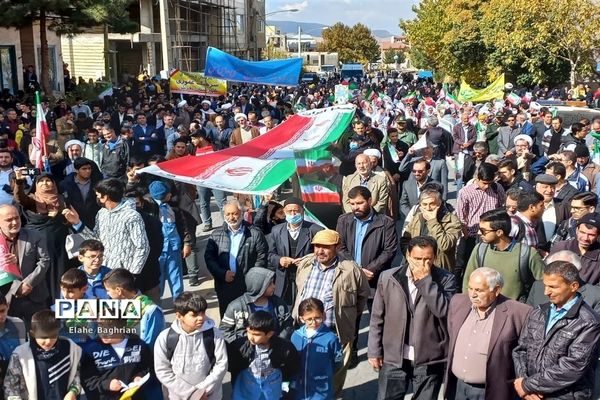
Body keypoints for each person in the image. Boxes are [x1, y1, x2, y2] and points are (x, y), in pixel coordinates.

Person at [367, 236, 457, 400]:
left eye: (427, 259)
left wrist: (425, 282)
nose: (422, 264)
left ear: (434, 258)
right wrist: (374, 350)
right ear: (408, 256)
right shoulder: (389, 277)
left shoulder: (446, 279)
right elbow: (377, 317)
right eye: (417, 259)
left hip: (429, 358)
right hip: (394, 356)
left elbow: (443, 311)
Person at [293, 229, 370, 396]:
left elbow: (363, 296)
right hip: (306, 332)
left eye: (326, 247)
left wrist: (347, 316)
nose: (320, 251)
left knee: (335, 374)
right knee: (305, 371)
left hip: (336, 333)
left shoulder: (351, 270)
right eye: (317, 246)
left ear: (338, 247)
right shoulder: (306, 264)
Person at [512, 261, 600, 399]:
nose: (546, 292)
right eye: (545, 285)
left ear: (573, 286)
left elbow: (572, 367)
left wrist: (527, 385)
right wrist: (524, 383)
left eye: (553, 287)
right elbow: (521, 350)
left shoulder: (588, 322)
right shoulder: (539, 312)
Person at [445, 268, 531, 400]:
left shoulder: (519, 313)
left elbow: (526, 353)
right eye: (470, 288)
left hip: (491, 391)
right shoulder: (458, 302)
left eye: (478, 290)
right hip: (457, 388)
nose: (472, 294)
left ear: (496, 290)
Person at [336, 185, 397, 368]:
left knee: (377, 318)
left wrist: (371, 269)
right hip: (350, 278)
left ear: (370, 201)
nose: (356, 207)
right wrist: (356, 270)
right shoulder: (344, 220)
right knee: (350, 318)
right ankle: (352, 352)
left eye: (360, 203)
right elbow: (340, 246)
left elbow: (389, 250)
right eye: (352, 203)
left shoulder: (385, 222)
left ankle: (378, 353)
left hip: (374, 280)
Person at [62, 178, 149, 275]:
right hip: (103, 270)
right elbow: (96, 240)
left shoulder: (131, 216)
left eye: (98, 195)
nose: (97, 198)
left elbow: (142, 247)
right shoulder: (102, 213)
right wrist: (77, 223)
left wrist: (132, 273)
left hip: (122, 274)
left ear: (105, 197)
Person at [154, 292, 228, 400]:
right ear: (179, 316)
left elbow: (221, 365)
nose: (201, 318)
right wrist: (193, 394)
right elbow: (162, 370)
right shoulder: (165, 338)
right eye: (194, 315)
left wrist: (202, 392)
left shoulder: (214, 334)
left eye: (202, 313)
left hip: (208, 396)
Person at [463, 209, 544, 301]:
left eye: (483, 231)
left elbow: (543, 282)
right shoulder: (480, 250)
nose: (478, 233)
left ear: (499, 233)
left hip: (514, 311)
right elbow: (468, 281)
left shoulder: (526, 253)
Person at [205, 200, 269, 316]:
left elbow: (262, 257)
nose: (231, 217)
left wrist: (252, 277)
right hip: (225, 284)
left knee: (249, 317)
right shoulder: (216, 235)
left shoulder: (254, 233)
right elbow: (209, 258)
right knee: (228, 318)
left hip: (247, 286)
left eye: (234, 213)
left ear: (241, 213)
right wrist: (222, 273)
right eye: (228, 214)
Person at [12, 170, 69, 300]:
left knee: (58, 276)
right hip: (37, 246)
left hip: (57, 246)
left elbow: (68, 219)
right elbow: (19, 197)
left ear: (54, 183)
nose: (45, 183)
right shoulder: (32, 199)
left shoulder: (61, 199)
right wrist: (19, 182)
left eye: (48, 180)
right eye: (41, 181)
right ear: (36, 185)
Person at [4, 310, 82, 400]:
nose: (48, 341)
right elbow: (11, 387)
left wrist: (73, 391)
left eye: (53, 336)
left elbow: (77, 374)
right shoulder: (21, 355)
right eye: (43, 337)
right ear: (32, 334)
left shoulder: (70, 348)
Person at [80, 318, 158, 400]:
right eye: (100, 325)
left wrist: (139, 376)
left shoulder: (139, 345)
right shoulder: (90, 350)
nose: (103, 331)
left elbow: (149, 368)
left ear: (122, 327)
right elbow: (86, 380)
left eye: (109, 328)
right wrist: (107, 385)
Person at [228, 311, 299, 399]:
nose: (251, 337)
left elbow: (293, 368)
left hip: (273, 385)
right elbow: (231, 366)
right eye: (249, 332)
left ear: (269, 334)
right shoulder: (239, 346)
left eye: (256, 334)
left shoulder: (284, 347)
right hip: (246, 385)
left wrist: (288, 386)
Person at [268, 197, 323, 307]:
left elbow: (323, 254)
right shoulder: (276, 230)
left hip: (307, 278)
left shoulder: (315, 230)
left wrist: (306, 260)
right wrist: (280, 260)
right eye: (289, 211)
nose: (293, 214)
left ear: (302, 211)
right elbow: (269, 254)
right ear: (284, 211)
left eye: (296, 211)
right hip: (284, 278)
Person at [0, 205, 50, 327]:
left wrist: (29, 283)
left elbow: (44, 260)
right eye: (9, 220)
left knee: (40, 332)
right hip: (7, 298)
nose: (15, 222)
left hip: (34, 295)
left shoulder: (34, 236)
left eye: (17, 218)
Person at [455, 163, 506, 281]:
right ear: (477, 178)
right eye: (484, 183)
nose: (487, 187)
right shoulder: (466, 192)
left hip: (491, 234)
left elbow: (502, 207)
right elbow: (460, 216)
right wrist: (466, 234)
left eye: (489, 183)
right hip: (471, 235)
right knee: (462, 264)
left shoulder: (497, 189)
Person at [220, 267, 293, 343]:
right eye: (270, 284)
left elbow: (288, 324)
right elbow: (224, 331)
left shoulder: (279, 304)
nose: (274, 286)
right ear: (258, 286)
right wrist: (243, 344)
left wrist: (279, 341)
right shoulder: (236, 307)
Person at [146, 180, 192, 300]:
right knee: (158, 281)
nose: (170, 195)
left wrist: (187, 243)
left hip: (173, 248)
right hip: (157, 251)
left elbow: (183, 226)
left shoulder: (173, 207)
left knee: (176, 277)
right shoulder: (149, 208)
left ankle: (179, 303)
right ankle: (157, 306)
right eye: (167, 193)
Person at [290, 297, 343, 400]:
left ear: (323, 315)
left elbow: (337, 362)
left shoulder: (331, 338)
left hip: (322, 390)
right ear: (301, 319)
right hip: (298, 389)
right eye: (309, 319)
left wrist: (325, 374)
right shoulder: (295, 336)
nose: (314, 322)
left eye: (317, 318)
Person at [401, 187, 462, 270]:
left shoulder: (451, 220)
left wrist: (432, 221)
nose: (428, 208)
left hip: (439, 270)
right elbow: (405, 240)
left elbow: (445, 245)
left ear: (440, 203)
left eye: (432, 204)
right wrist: (410, 257)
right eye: (424, 204)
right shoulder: (417, 217)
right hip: (417, 268)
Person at [102, 268, 165, 348]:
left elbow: (151, 343)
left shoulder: (150, 310)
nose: (107, 294)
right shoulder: (113, 307)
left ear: (118, 290)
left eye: (108, 290)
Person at [527, 250, 600, 313]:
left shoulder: (595, 296)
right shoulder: (537, 286)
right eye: (551, 269)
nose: (546, 292)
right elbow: (527, 316)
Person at [550, 212, 600, 284]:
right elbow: (548, 274)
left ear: (598, 235)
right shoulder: (561, 248)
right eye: (582, 232)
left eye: (591, 235)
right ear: (577, 230)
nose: (585, 238)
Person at [59, 157, 101, 229]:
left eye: (89, 168)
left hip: (94, 221)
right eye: (84, 169)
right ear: (77, 170)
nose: (88, 171)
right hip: (75, 222)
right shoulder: (65, 184)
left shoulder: (97, 183)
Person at [0, 295, 26, 397]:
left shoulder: (17, 323)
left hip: (17, 372)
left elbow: (24, 350)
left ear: (8, 306)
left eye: (2, 311)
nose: (0, 316)